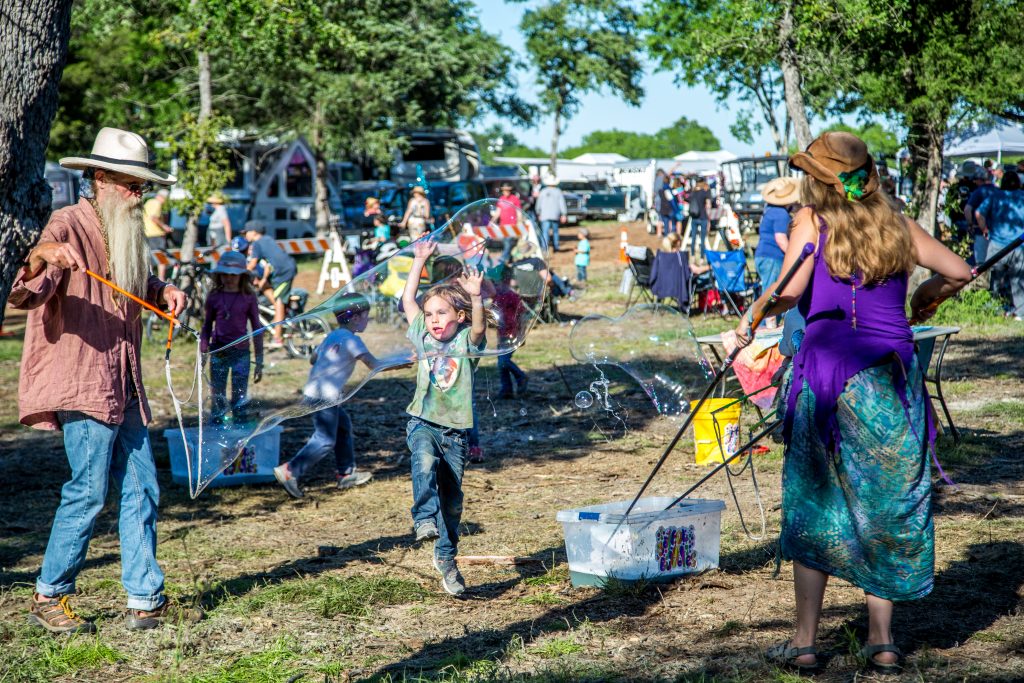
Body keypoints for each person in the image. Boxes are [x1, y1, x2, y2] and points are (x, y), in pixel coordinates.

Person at [734, 132, 970, 675]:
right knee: (886, 502)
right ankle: (882, 641)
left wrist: (749, 321)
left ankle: (805, 643)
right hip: (889, 379)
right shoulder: (898, 225)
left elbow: (788, 295)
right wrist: (922, 297)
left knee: (815, 503)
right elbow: (959, 272)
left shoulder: (809, 224)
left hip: (825, 376)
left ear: (819, 181)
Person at [10, 127, 199, 633]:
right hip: (85, 380)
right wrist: (40, 256)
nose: (139, 195)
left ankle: (146, 596)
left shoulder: (128, 228)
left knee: (143, 487)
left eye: (143, 186)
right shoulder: (64, 224)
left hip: (125, 380)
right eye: (130, 184)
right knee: (88, 492)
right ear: (99, 177)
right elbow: (23, 292)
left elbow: (136, 281)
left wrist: (164, 291)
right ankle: (50, 594)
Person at [401, 239, 488, 596]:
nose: (435, 320)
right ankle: (423, 520)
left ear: (460, 318)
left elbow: (482, 330)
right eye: (431, 314)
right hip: (422, 421)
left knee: (452, 500)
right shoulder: (421, 336)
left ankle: (447, 559)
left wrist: (477, 297)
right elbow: (408, 300)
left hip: (456, 434)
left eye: (442, 313)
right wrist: (419, 260)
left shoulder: (467, 342)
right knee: (422, 460)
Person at [274, 296, 380, 498]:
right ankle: (290, 470)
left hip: (314, 392)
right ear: (356, 317)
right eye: (367, 316)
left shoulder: (332, 335)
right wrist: (399, 361)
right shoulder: (352, 340)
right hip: (326, 396)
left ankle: (346, 473)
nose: (368, 320)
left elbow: (313, 359)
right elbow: (373, 364)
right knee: (325, 439)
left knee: (343, 426)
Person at [200, 251, 264, 424]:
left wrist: (259, 359)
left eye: (233, 275)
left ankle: (240, 429)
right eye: (225, 275)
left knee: (240, 394)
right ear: (219, 275)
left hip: (241, 353)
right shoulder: (214, 297)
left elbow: (257, 327)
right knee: (218, 394)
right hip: (219, 351)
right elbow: (207, 325)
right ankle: (217, 426)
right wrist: (203, 350)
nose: (229, 278)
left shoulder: (248, 297)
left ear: (242, 276)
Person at [976, 171, 1024, 320]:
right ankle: (1020, 313)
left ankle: (996, 310)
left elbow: (978, 213)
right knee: (1018, 281)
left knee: (996, 281)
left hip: (997, 244)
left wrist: (984, 229)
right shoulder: (1022, 196)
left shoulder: (995, 196)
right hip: (1019, 245)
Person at [244, 220, 297, 348]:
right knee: (266, 287)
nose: (245, 235)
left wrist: (238, 273)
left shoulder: (257, 244)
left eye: (246, 232)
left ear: (254, 232)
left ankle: (277, 337)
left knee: (279, 302)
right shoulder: (267, 239)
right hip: (285, 269)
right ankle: (285, 313)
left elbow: (252, 264)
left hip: (283, 273)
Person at [755, 177, 800, 293]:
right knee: (771, 294)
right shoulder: (781, 214)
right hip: (772, 258)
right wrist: (794, 256)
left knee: (767, 290)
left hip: (763, 255)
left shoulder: (770, 209)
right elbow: (780, 239)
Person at [964, 162, 997, 267]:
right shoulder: (998, 190)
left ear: (979, 179)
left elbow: (967, 209)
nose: (974, 182)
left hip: (980, 230)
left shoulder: (978, 192)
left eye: (975, 179)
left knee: (980, 263)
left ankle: (981, 282)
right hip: (997, 233)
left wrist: (970, 224)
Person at [143, 189, 172, 279]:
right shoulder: (157, 203)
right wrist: (164, 227)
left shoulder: (149, 202)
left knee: (150, 257)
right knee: (161, 257)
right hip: (155, 233)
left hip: (146, 233)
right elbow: (154, 217)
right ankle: (161, 279)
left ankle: (151, 277)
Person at [535, 175, 567, 252]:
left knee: (545, 232)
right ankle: (556, 247)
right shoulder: (558, 191)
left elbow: (538, 203)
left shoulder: (543, 191)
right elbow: (562, 204)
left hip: (544, 215)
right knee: (555, 232)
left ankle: (544, 248)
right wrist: (564, 214)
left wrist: (538, 212)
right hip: (555, 215)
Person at [687, 179, 712, 258]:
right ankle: (701, 257)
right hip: (703, 217)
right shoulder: (704, 192)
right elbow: (708, 206)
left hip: (694, 217)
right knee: (702, 238)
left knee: (693, 237)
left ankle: (693, 255)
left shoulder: (692, 192)